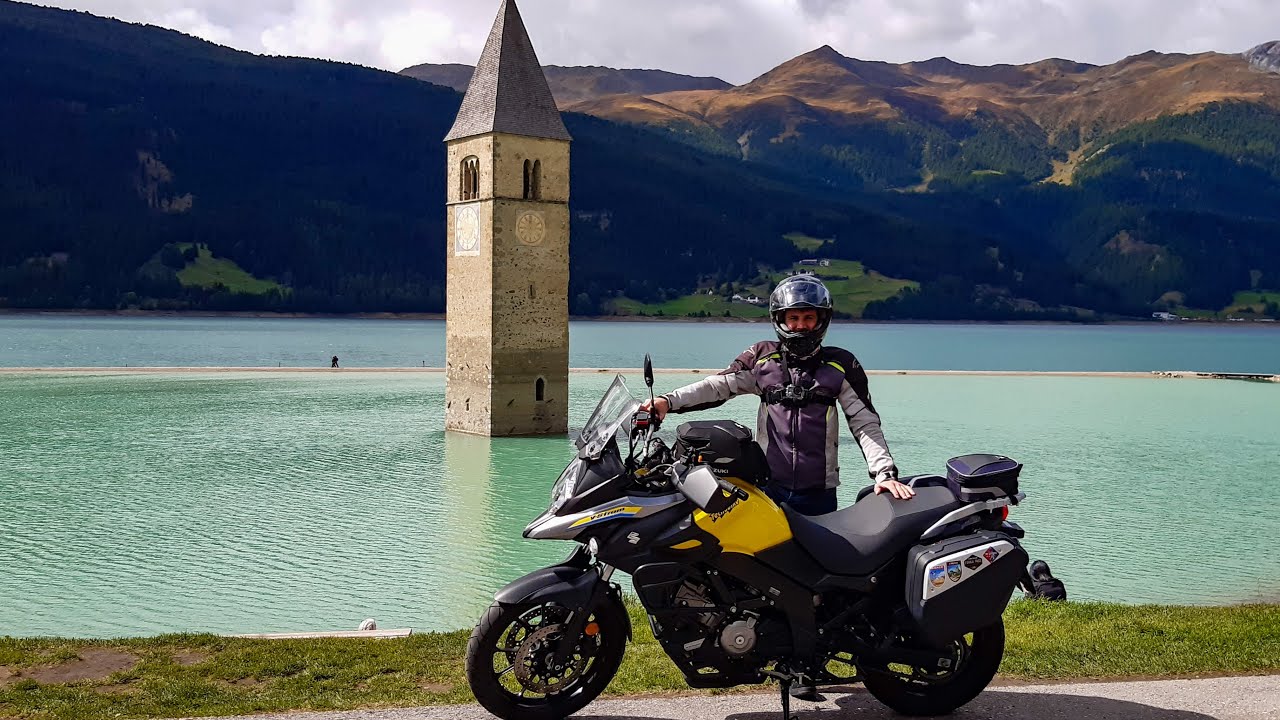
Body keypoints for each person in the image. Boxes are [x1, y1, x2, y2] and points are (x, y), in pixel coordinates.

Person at [643, 275, 914, 517]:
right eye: (793, 318)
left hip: (819, 495)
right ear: (780, 320)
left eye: (808, 318)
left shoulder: (840, 365)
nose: (800, 326)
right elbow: (717, 386)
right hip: (767, 489)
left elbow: (864, 422)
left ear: (821, 320)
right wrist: (668, 401)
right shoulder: (762, 358)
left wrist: (884, 474)